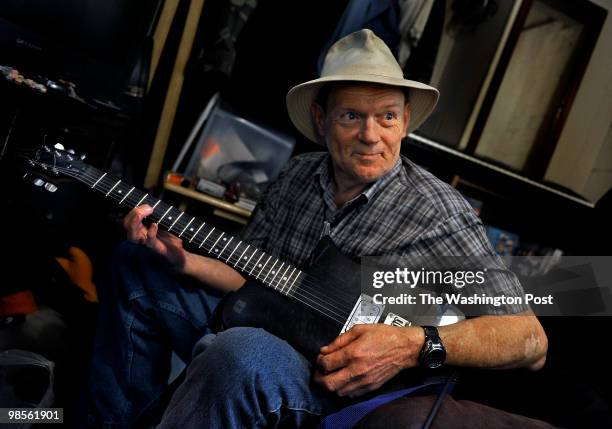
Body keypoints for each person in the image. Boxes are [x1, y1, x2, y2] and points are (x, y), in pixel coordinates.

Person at [86, 29, 549, 428]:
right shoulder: (297, 175)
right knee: (136, 261)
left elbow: (528, 339)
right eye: (351, 116)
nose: (372, 135)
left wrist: (410, 345)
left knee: (240, 351)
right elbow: (252, 280)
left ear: (405, 122)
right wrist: (181, 258)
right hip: (264, 318)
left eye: (387, 116)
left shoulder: (438, 211)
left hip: (331, 378)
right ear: (321, 119)